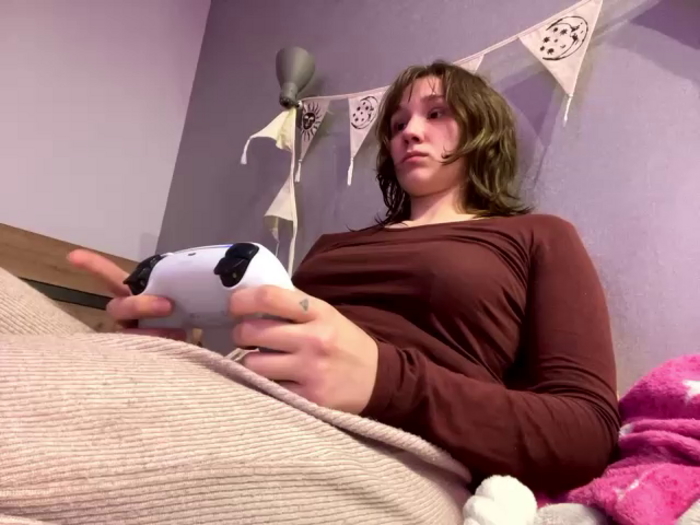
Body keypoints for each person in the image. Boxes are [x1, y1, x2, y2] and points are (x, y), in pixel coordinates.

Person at [68, 61, 620, 493]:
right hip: (248, 400)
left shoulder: (536, 236)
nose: (410, 132)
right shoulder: (335, 246)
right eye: (397, 124)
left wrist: (390, 382)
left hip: (385, 452)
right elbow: (282, 350)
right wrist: (174, 345)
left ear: (484, 129)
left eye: (436, 113)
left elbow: (587, 432)